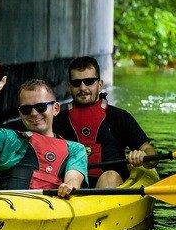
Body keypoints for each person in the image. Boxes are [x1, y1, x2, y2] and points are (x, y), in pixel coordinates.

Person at [0, 62, 87, 198]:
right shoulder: (7, 138)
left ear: (55, 108)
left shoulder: (75, 149)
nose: (33, 113)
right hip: (5, 212)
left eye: (41, 107)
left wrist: (68, 186)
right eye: (26, 109)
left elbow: (73, 179)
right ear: (20, 114)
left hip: (49, 214)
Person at [53, 56, 155, 188]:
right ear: (69, 87)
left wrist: (143, 155)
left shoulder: (119, 117)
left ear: (100, 84)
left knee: (109, 177)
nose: (83, 88)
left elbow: (149, 152)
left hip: (111, 187)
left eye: (89, 81)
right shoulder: (58, 120)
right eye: (76, 83)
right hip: (68, 188)